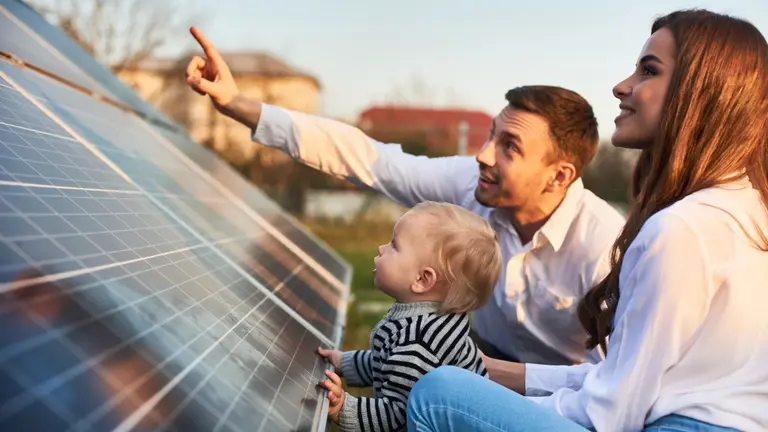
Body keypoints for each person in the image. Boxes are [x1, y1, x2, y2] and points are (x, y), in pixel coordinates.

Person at [403, 8, 768, 432]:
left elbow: (612, 413)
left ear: (701, 94)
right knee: (459, 383)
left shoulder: (681, 229)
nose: (621, 86)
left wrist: (484, 401)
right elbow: (623, 377)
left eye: (649, 71)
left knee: (439, 395)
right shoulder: (747, 208)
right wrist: (490, 373)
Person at [184, 28, 626, 366]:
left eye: (509, 147)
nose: (483, 154)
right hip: (481, 356)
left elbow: (614, 383)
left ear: (558, 176)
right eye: (492, 135)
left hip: (563, 396)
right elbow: (369, 159)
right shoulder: (472, 184)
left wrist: (495, 381)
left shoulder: (604, 246)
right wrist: (238, 105)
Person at [312, 201, 501, 431]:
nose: (381, 248)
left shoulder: (418, 345)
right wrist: (345, 363)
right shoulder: (430, 319)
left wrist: (343, 408)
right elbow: (387, 363)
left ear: (422, 280)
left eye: (394, 245)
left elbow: (398, 416)